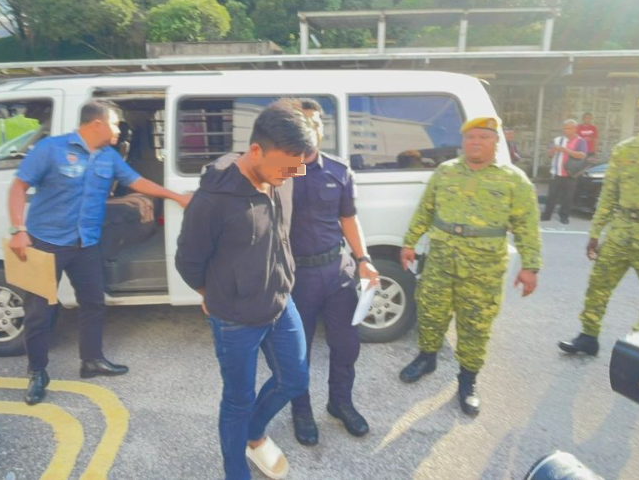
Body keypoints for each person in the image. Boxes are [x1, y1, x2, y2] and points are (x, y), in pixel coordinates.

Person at [7, 99, 191, 405]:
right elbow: (18, 187)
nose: (119, 129)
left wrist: (175, 196)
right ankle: (37, 373)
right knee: (40, 313)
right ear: (97, 124)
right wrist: (18, 229)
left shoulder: (108, 157)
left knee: (93, 303)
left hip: (86, 243)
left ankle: (91, 360)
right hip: (46, 243)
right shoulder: (51, 149)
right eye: (116, 123)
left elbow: (136, 181)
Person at [175, 103, 317, 480]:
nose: (292, 175)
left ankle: (254, 434)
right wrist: (212, 293)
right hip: (235, 319)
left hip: (280, 303)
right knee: (238, 399)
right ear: (256, 150)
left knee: (294, 379)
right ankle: (236, 471)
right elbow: (188, 262)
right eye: (286, 167)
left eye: (297, 167)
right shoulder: (212, 200)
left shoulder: (280, 176)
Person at [397, 116, 540, 417]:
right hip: (441, 259)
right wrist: (410, 242)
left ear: (496, 141)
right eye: (470, 137)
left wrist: (530, 266)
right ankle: (427, 357)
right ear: (463, 141)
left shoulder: (513, 179)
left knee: (475, 324)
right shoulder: (445, 171)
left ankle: (468, 379)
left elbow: (527, 226)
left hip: (483, 267)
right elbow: (426, 210)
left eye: (483, 137)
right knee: (430, 312)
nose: (476, 142)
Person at [558, 89, 639, 359]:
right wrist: (596, 231)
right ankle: (588, 336)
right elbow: (609, 194)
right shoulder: (624, 149)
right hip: (622, 228)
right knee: (598, 285)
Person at [285, 99, 379, 446]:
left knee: (346, 345)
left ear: (323, 129)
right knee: (298, 351)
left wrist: (364, 259)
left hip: (337, 272)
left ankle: (340, 402)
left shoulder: (339, 171)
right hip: (296, 278)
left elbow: (348, 219)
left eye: (317, 122)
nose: (312, 128)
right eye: (304, 121)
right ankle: (301, 410)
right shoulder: (279, 173)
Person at [541, 119, 588, 224]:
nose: (566, 130)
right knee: (551, 195)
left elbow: (582, 155)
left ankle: (564, 216)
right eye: (564, 128)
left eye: (568, 128)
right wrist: (552, 151)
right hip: (556, 172)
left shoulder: (580, 141)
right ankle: (546, 215)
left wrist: (565, 150)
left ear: (575, 129)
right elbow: (549, 155)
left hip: (571, 174)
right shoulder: (557, 139)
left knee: (568, 197)